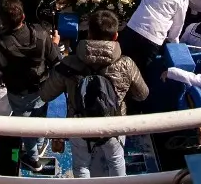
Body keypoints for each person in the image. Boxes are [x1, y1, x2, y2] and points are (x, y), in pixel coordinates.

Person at [39, 10, 149, 178]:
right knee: (116, 160)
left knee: (81, 165)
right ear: (115, 36)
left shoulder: (68, 63)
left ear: (88, 33)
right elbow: (143, 95)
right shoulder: (126, 64)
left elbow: (46, 95)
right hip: (114, 125)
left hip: (79, 126)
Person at [0, 0, 61, 172]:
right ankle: (40, 144)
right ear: (23, 16)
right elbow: (57, 61)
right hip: (43, 88)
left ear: (1, 20)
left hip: (19, 94)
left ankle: (33, 159)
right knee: (40, 118)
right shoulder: (41, 33)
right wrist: (54, 44)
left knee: (25, 126)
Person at [118, 0, 191, 72]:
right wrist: (172, 42)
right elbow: (178, 25)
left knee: (118, 64)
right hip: (154, 38)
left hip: (135, 27)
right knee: (138, 74)